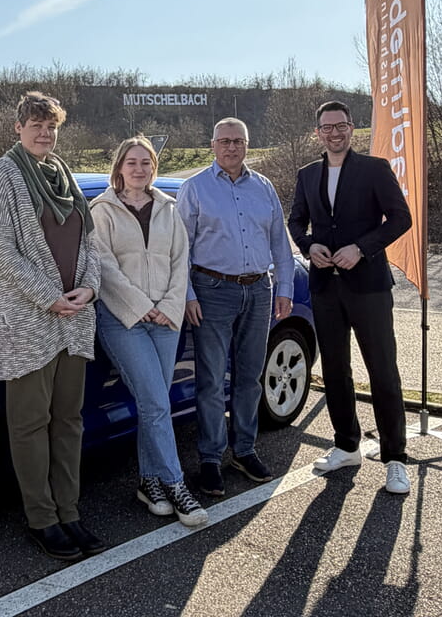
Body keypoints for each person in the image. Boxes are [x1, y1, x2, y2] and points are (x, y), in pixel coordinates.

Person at [0, 91, 104, 560]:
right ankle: (42, 518)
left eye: (51, 126)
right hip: (26, 319)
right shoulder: (4, 175)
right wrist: (49, 296)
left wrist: (88, 289)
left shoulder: (63, 174)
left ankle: (69, 512)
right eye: (36, 124)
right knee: (30, 424)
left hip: (73, 317)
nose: (44, 133)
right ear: (18, 127)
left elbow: (90, 244)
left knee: (69, 421)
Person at [288, 100, 413, 494]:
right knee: (336, 371)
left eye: (341, 126)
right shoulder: (308, 174)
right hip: (325, 287)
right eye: (327, 127)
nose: (334, 132)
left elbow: (400, 218)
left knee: (382, 370)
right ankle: (346, 445)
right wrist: (309, 247)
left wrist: (362, 248)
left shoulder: (375, 169)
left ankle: (395, 458)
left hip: (369, 287)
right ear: (317, 132)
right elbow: (296, 220)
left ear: (351, 128)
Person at [90, 137, 208, 527]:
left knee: (153, 403)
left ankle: (149, 481)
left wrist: (169, 307)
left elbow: (180, 261)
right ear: (119, 167)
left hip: (165, 320)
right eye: (132, 162)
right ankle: (176, 485)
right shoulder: (101, 212)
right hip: (123, 320)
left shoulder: (168, 209)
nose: (139, 169)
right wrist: (142, 307)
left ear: (153, 168)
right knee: (157, 401)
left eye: (146, 163)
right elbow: (104, 269)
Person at [176, 118, 294, 497]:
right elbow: (180, 251)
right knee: (211, 380)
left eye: (238, 141)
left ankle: (244, 450)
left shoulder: (264, 187)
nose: (231, 147)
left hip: (259, 289)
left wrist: (284, 288)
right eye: (224, 141)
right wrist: (188, 295)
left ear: (247, 144)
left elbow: (280, 242)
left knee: (250, 376)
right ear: (212, 144)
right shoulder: (194, 189)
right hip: (212, 291)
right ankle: (211, 457)